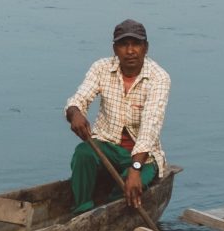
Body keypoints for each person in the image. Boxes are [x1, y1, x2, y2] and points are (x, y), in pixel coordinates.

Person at [65, 19, 170, 214]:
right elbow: (80, 98)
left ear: (145, 48)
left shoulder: (158, 78)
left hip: (143, 158)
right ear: (115, 49)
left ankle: (109, 210)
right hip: (107, 145)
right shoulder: (101, 68)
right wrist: (75, 113)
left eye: (136, 44)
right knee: (83, 154)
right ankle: (81, 211)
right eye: (124, 45)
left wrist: (136, 168)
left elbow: (149, 128)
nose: (130, 51)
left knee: (126, 188)